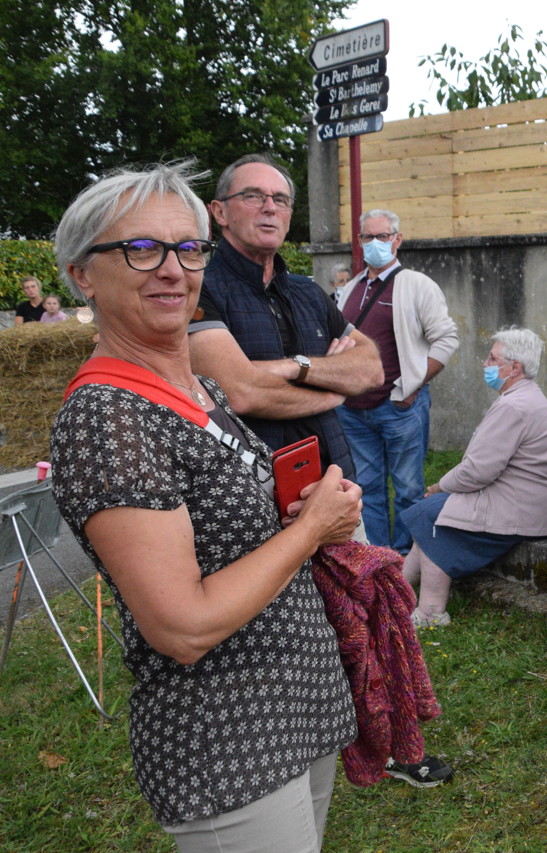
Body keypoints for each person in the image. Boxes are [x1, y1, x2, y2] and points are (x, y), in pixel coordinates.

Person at [49, 162, 364, 852]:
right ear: (81, 274)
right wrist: (310, 531)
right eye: (140, 248)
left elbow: (231, 533)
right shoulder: (108, 416)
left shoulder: (199, 389)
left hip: (294, 703)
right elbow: (182, 625)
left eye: (187, 248)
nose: (172, 268)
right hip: (227, 736)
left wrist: (295, 512)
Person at [189, 153, 383, 476]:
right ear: (219, 212)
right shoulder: (198, 289)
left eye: (281, 199)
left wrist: (295, 367)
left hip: (337, 482)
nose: (270, 208)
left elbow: (372, 370)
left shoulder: (308, 292)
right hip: (254, 494)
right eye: (253, 196)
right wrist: (334, 390)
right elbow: (240, 393)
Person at [399, 327, 547, 627]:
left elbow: (478, 471)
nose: (484, 364)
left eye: (492, 358)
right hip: (529, 500)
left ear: (514, 367)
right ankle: (393, 592)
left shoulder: (513, 405)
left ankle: (430, 612)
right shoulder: (524, 397)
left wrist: (440, 486)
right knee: (430, 513)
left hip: (525, 506)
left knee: (433, 518)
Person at [333, 209, 459, 553]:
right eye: (368, 237)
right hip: (353, 410)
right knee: (366, 487)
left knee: (406, 487)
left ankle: (406, 558)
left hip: (399, 407)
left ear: (397, 239)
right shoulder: (352, 289)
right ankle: (378, 556)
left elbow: (446, 339)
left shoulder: (417, 285)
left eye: (383, 236)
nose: (375, 243)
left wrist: (413, 386)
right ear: (359, 242)